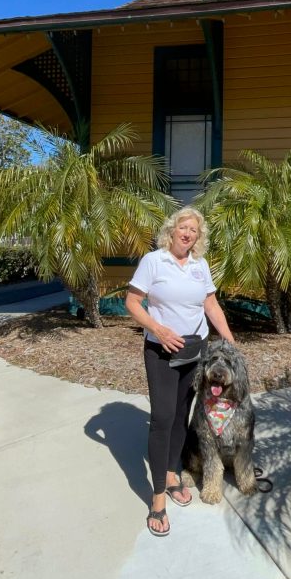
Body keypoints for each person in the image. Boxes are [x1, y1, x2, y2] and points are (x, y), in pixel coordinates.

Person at [126, 207, 235, 537]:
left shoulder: (200, 266)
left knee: (180, 417)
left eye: (194, 231)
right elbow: (132, 302)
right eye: (183, 227)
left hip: (195, 350)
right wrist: (158, 330)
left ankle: (172, 474)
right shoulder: (153, 261)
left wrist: (229, 342)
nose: (188, 233)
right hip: (161, 350)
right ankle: (158, 498)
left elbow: (211, 305)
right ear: (172, 230)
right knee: (161, 418)